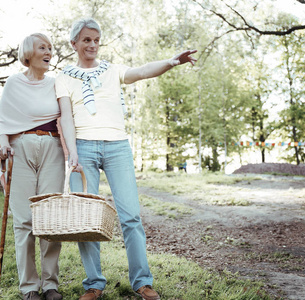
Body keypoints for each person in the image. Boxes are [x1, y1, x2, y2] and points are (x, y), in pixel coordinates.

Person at [56, 18, 197, 300]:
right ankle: (94, 284)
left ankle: (142, 282)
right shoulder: (64, 77)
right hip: (82, 146)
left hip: (117, 146)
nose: (93, 45)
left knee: (131, 216)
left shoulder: (112, 70)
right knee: (87, 218)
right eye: (86, 40)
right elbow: (67, 117)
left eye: (96, 40)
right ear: (74, 44)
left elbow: (143, 71)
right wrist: (72, 153)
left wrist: (171, 62)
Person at [0, 33, 65, 300]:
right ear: (29, 53)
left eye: (50, 48)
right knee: (24, 219)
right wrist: (3, 144)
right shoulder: (14, 83)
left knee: (49, 217)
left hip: (52, 147)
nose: (49, 52)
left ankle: (50, 284)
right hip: (20, 148)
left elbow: (67, 116)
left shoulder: (57, 84)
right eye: (42, 48)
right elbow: (2, 122)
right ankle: (29, 287)